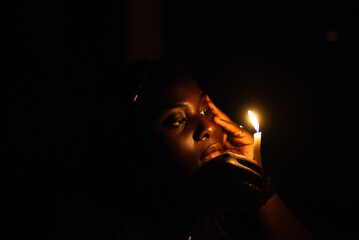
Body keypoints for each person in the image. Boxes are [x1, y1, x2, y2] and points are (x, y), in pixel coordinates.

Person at [49, 60, 313, 240]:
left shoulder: (226, 207)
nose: (208, 127)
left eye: (206, 110)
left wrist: (258, 181)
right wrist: (188, 210)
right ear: (133, 139)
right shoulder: (80, 219)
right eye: (178, 120)